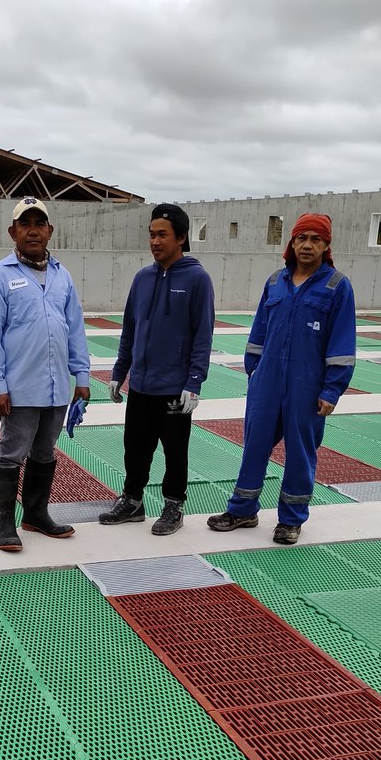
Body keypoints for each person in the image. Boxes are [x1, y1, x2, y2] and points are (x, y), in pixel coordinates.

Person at [207, 212, 356, 545]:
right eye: (301, 238)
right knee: (255, 445)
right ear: (292, 242)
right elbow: (259, 330)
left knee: (301, 452)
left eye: (315, 239)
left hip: (308, 384)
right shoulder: (275, 281)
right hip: (267, 380)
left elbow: (343, 343)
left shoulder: (337, 286)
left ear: (326, 245)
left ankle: (291, 519)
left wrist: (332, 389)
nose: (307, 245)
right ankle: (242, 509)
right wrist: (254, 371)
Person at [0, 197, 91, 552]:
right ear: (13, 232)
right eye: (24, 224)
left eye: (39, 223)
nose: (32, 230)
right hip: (20, 387)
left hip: (58, 387)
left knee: (45, 452)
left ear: (49, 231)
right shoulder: (0, 275)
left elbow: (75, 328)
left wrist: (82, 377)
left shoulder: (62, 275)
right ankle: (5, 524)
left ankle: (36, 514)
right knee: (11, 454)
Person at [99, 203, 214, 535]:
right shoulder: (143, 278)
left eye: (162, 234)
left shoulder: (196, 279)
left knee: (175, 450)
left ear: (180, 237)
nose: (154, 241)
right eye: (151, 235)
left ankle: (174, 504)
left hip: (174, 387)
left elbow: (202, 335)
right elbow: (130, 329)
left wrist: (194, 381)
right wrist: (121, 371)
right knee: (134, 447)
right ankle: (133, 501)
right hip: (142, 384)